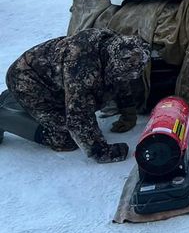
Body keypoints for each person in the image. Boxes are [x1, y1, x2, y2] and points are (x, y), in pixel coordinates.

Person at [1, 29, 150, 163]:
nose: (132, 77)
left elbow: (121, 80)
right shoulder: (82, 69)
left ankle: (11, 99)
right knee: (66, 138)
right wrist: (102, 151)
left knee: (99, 91)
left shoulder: (120, 47)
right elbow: (78, 116)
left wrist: (128, 113)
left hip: (54, 80)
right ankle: (4, 116)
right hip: (27, 81)